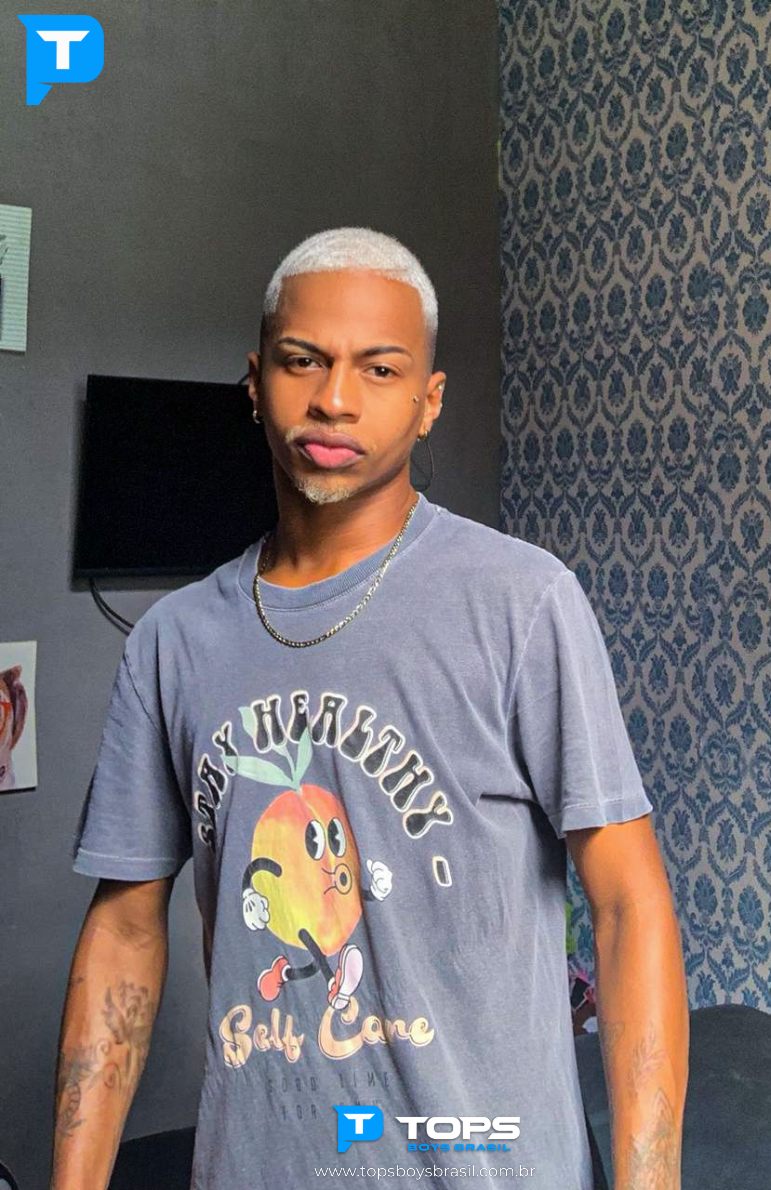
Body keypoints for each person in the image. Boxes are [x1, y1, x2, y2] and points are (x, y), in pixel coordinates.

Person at [52, 226, 689, 1190]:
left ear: (429, 401)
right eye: (303, 361)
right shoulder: (171, 643)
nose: (335, 399)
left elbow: (629, 904)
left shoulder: (522, 604)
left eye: (379, 369)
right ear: (255, 382)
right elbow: (125, 931)